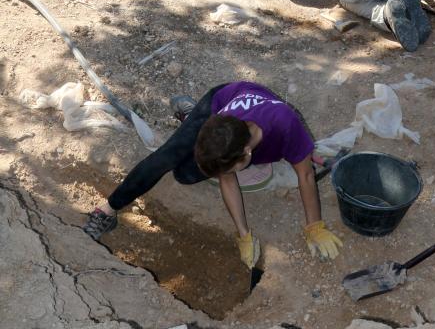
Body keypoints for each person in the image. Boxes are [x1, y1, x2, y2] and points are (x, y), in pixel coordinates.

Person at [83, 81, 343, 267]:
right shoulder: (221, 125)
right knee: (171, 159)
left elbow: (306, 176)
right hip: (219, 101)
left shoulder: (286, 126)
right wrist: (244, 234)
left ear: (245, 155)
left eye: (228, 170)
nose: (224, 177)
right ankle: (107, 209)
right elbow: (227, 176)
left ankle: (193, 123)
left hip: (255, 131)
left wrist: (314, 227)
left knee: (186, 175)